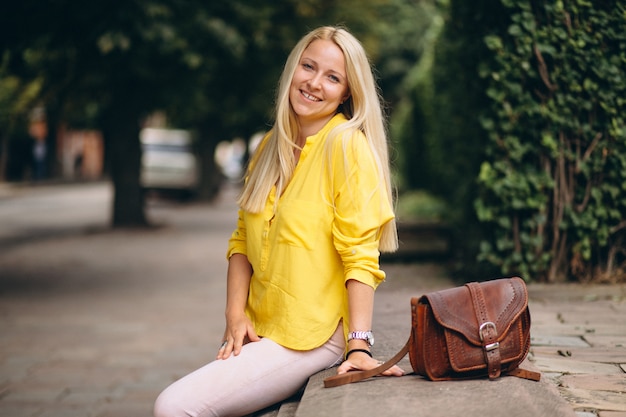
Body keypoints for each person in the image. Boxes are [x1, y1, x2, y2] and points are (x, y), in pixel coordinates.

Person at [154, 25, 404, 417]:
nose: (314, 83)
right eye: (309, 66)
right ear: (293, 68)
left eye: (333, 77)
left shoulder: (346, 146)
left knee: (173, 407)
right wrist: (235, 316)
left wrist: (358, 345)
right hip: (264, 329)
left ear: (347, 93)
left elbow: (360, 256)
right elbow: (241, 243)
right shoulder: (270, 148)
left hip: (313, 336)